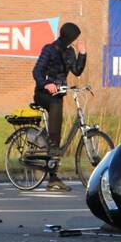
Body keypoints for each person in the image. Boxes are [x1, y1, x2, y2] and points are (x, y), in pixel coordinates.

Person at [32, 22, 87, 192]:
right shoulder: (49, 49)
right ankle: (53, 176)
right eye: (74, 38)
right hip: (44, 94)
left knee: (56, 128)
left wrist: (82, 53)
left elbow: (77, 71)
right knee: (55, 133)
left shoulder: (70, 52)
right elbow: (37, 71)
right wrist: (47, 84)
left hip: (58, 96)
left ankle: (52, 167)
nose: (75, 41)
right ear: (68, 36)